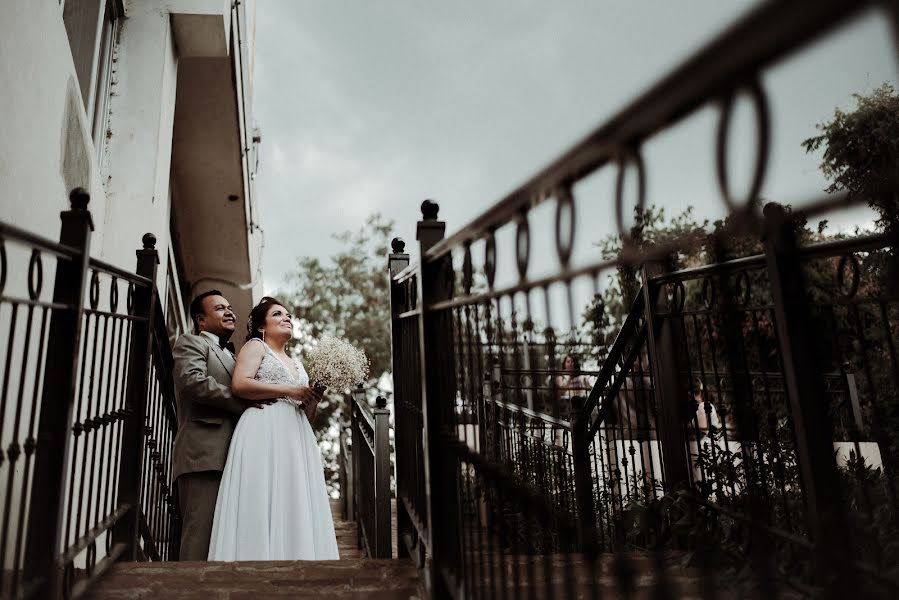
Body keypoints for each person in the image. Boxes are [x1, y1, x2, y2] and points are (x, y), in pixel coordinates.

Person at [207, 296, 339, 560]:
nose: (287, 318)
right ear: (261, 326)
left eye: (289, 315)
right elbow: (240, 385)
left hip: (295, 435)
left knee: (293, 497)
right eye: (278, 314)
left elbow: (306, 414)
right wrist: (292, 389)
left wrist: (312, 399)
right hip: (262, 428)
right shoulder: (256, 347)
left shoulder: (298, 364)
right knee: (261, 491)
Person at [172, 290, 268, 561]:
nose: (229, 312)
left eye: (229, 307)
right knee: (200, 535)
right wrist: (242, 403)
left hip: (234, 459)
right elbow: (192, 382)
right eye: (219, 308)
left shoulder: (235, 357)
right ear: (200, 320)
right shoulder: (191, 342)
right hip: (204, 456)